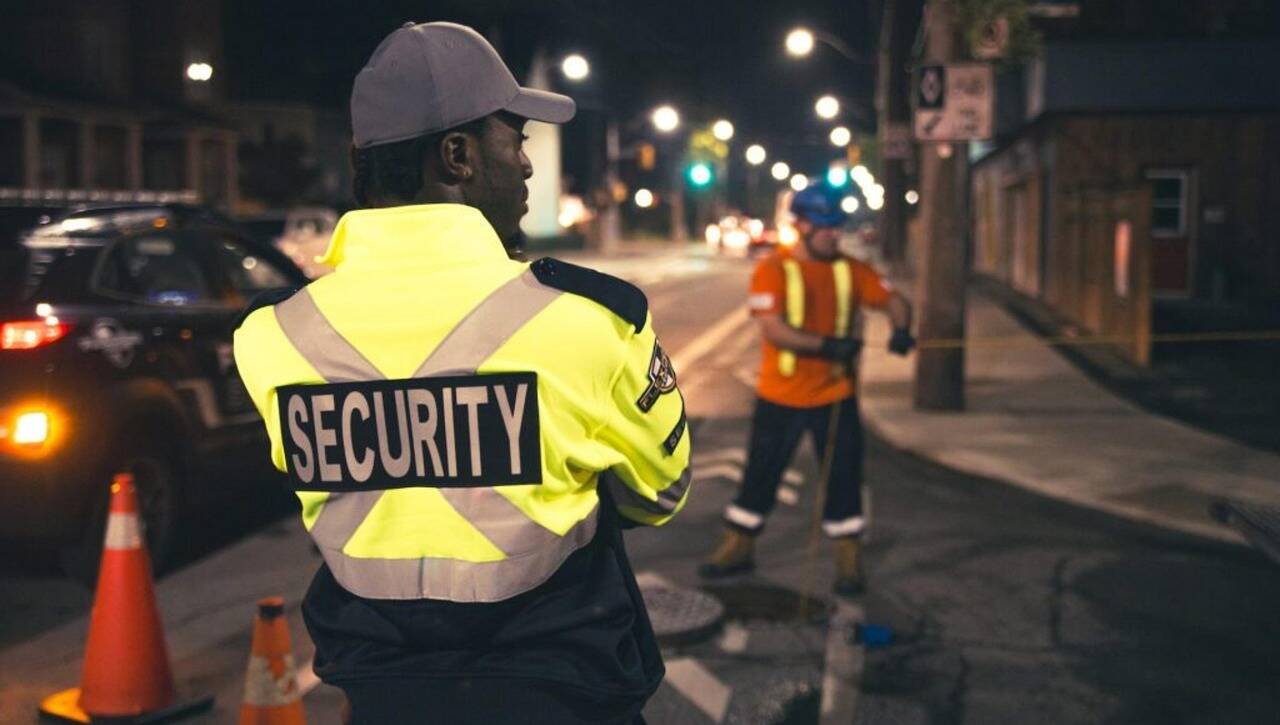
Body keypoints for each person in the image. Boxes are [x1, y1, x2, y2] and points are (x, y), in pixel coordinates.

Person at [233, 22, 691, 724]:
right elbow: (661, 492)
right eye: (517, 140)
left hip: (381, 699)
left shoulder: (273, 335)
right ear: (459, 156)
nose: (529, 167)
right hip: (561, 695)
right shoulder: (590, 320)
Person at [698, 184, 913, 595]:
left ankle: (848, 560)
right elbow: (775, 330)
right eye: (825, 227)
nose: (834, 234)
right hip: (780, 397)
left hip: (835, 397)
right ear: (801, 226)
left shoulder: (851, 269)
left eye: (837, 226)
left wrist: (902, 330)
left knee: (844, 479)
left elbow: (896, 300)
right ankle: (738, 546)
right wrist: (828, 345)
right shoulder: (772, 269)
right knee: (760, 476)